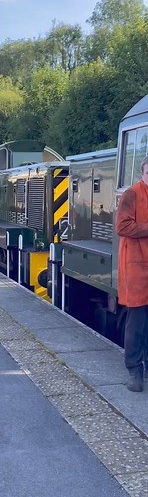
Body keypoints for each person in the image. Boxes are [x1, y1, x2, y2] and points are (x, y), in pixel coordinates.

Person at [116, 155, 148, 392]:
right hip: (137, 266)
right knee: (136, 322)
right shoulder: (132, 194)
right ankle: (134, 371)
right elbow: (122, 227)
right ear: (142, 173)